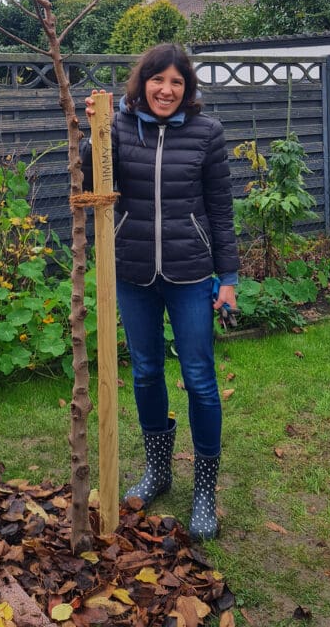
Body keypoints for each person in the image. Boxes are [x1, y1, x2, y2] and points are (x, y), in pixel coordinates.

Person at [81, 43, 238, 541]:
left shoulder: (206, 133)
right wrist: (93, 132)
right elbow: (90, 182)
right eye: (158, 80)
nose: (166, 90)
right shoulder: (119, 126)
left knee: (199, 377)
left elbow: (220, 208)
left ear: (186, 88)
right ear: (142, 82)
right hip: (132, 272)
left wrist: (229, 278)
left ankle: (205, 492)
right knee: (146, 372)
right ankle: (159, 470)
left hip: (191, 273)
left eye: (176, 82)